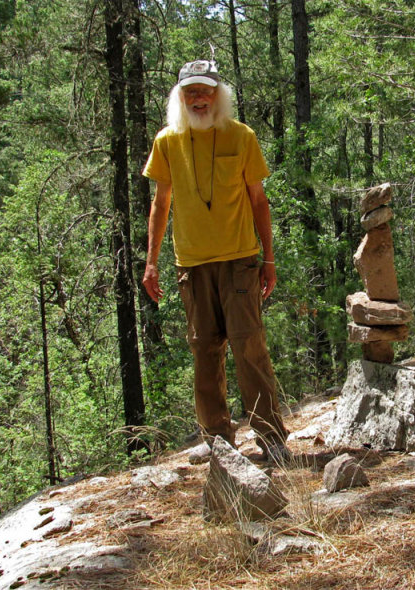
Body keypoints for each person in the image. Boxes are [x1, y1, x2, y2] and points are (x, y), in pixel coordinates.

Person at [142, 59, 292, 463]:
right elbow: (161, 202)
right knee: (204, 352)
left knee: (249, 348)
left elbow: (259, 201)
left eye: (206, 90)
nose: (199, 98)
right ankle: (219, 441)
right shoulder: (167, 141)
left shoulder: (242, 136)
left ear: (218, 95)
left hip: (240, 259)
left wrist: (270, 259)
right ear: (180, 97)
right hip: (190, 263)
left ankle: (272, 438)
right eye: (191, 91)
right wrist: (151, 263)